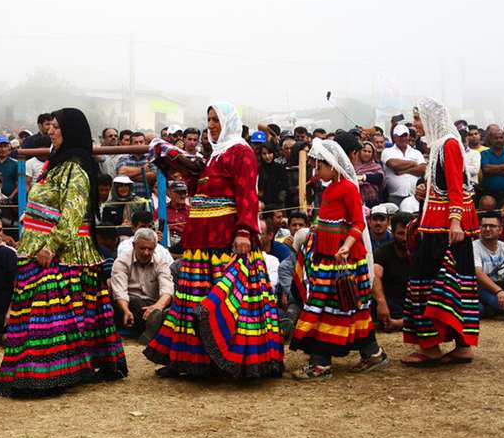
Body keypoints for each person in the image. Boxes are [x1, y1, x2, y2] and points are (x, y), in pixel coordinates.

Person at [144, 102, 283, 378]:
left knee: (230, 301)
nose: (211, 125)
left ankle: (229, 360)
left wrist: (244, 231)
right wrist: (178, 165)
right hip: (201, 240)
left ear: (229, 121)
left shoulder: (241, 152)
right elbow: (199, 190)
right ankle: (191, 360)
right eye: (208, 120)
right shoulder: (213, 155)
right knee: (191, 299)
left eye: (216, 119)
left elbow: (247, 194)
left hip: (226, 240)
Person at [0, 108, 127, 397]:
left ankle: (50, 373)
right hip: (36, 247)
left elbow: (73, 212)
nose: (50, 131)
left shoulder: (77, 167)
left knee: (52, 314)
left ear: (71, 130)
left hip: (62, 252)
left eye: (56, 127)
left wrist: (50, 246)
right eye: (50, 127)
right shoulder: (54, 164)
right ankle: (45, 370)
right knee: (46, 314)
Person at [290, 138, 387, 380]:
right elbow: (326, 220)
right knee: (349, 308)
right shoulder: (330, 187)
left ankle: (321, 362)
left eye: (319, 166)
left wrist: (346, 246)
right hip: (327, 257)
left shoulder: (348, 188)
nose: (316, 170)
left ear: (332, 165)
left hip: (343, 261)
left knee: (329, 307)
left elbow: (357, 223)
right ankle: (372, 353)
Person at [401, 97, 480, 366]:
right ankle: (461, 345)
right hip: (439, 223)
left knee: (432, 281)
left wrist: (455, 221)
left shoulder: (448, 144)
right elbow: (444, 187)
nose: (415, 125)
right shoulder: (439, 146)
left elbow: (457, 187)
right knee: (453, 282)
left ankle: (432, 347)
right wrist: (424, 191)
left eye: (418, 118)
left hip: (445, 226)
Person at [110, 227, 173, 344]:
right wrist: (126, 310)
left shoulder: (160, 262)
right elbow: (120, 293)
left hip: (153, 305)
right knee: (135, 303)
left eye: (150, 249)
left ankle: (156, 324)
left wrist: (158, 306)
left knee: (171, 303)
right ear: (134, 245)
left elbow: (167, 289)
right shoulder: (122, 261)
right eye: (142, 248)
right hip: (129, 305)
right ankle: (159, 325)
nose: (146, 253)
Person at [372, 212, 416, 332]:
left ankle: (399, 323)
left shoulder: (420, 252)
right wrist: (381, 303)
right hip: (390, 302)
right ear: (393, 232)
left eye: (408, 234)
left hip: (413, 301)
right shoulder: (383, 252)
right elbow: (375, 276)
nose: (404, 238)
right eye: (400, 234)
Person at [381, 124, 425, 212]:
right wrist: (413, 163)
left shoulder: (416, 153)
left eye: (405, 135)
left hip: (414, 196)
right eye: (400, 136)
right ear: (394, 137)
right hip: (395, 197)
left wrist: (403, 170)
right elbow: (393, 164)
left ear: (408, 136)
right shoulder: (387, 151)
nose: (403, 138)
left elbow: (423, 169)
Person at [480, 128, 504, 201]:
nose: (499, 140)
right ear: (491, 140)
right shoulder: (484, 153)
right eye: (496, 138)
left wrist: (493, 170)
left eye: (501, 138)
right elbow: (486, 169)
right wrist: (503, 166)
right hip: (489, 193)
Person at [354, 140, 385, 207]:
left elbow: (379, 178)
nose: (367, 154)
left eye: (369, 152)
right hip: (355, 200)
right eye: (364, 151)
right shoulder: (352, 165)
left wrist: (364, 177)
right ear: (359, 152)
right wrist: (356, 182)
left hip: (372, 201)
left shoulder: (376, 166)